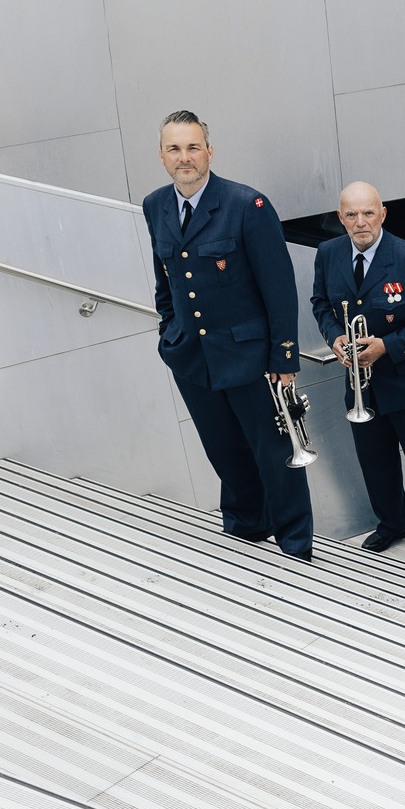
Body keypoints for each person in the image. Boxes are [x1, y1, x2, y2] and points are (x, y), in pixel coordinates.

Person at [139, 110, 313, 560]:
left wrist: (284, 360)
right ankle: (245, 526)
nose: (184, 157)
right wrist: (169, 333)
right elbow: (164, 280)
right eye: (174, 149)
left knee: (276, 453)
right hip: (192, 358)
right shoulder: (154, 205)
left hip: (251, 359)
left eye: (193, 147)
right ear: (161, 156)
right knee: (224, 451)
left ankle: (295, 543)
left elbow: (279, 289)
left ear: (209, 152)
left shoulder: (247, 205)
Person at [309, 182, 405, 567]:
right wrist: (335, 336)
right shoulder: (328, 253)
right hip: (362, 384)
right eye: (351, 215)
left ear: (383, 214)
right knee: (375, 461)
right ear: (340, 218)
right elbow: (321, 303)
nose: (361, 222)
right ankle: (394, 523)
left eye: (368, 213)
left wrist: (386, 347)